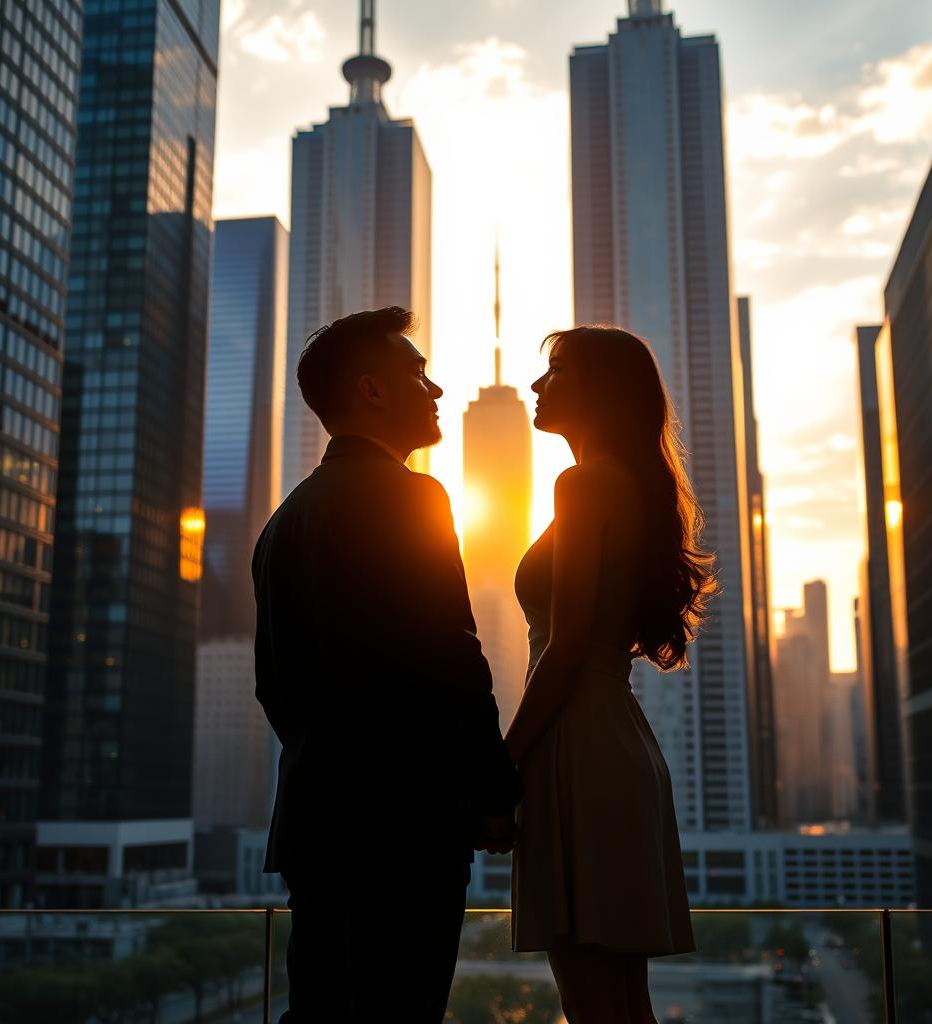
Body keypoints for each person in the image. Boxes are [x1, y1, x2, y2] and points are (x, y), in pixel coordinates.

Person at [252, 306, 520, 1023]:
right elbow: (453, 657)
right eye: (418, 374)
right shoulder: (414, 498)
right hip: (407, 824)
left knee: (319, 1008)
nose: (434, 392)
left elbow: (270, 687)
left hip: (316, 820)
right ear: (371, 391)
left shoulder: (283, 524)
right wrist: (494, 795)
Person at [506, 325, 717, 1024]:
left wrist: (502, 768)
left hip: (578, 748)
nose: (538, 384)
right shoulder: (626, 485)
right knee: (623, 1002)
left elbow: (563, 649)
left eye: (557, 370)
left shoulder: (584, 484)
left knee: (594, 1000)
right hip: (615, 744)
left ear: (602, 390)